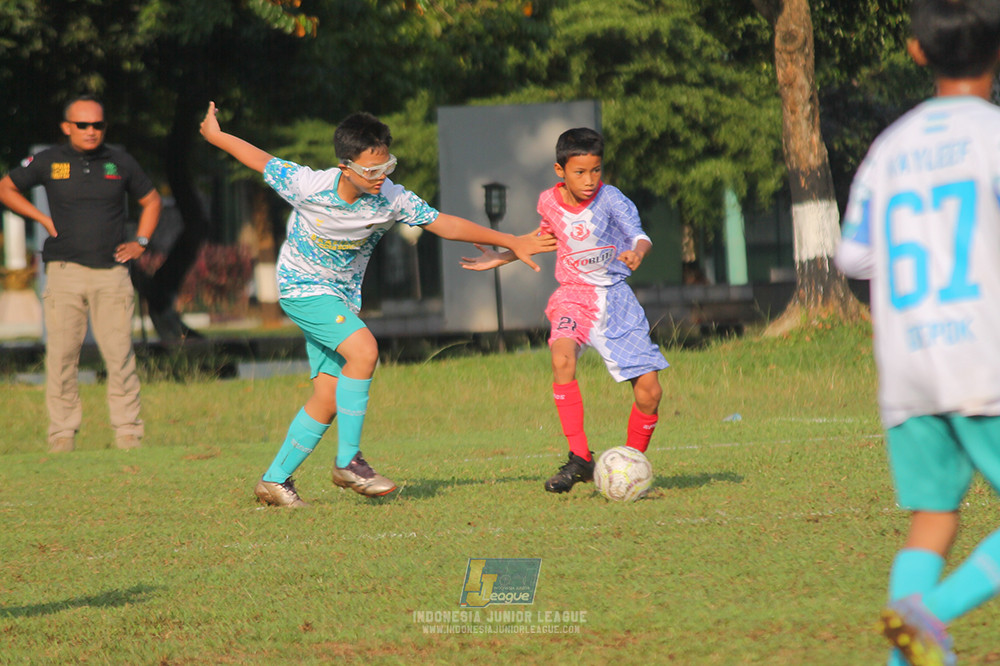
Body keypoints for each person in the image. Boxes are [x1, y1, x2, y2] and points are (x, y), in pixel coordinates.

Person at [199, 102, 554, 507]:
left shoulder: (391, 197)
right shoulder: (307, 185)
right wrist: (216, 136)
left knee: (328, 398)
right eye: (371, 170)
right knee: (365, 350)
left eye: (387, 166)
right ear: (345, 167)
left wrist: (510, 241)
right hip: (302, 288)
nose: (381, 176)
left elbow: (444, 222)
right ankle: (348, 462)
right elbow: (259, 159)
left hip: (340, 299)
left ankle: (274, 481)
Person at [835, 2, 1000, 664]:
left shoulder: (890, 147)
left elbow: (853, 257)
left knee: (933, 516)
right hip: (984, 358)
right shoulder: (993, 135)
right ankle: (925, 616)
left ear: (916, 51)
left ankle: (902, 658)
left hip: (908, 362)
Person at [461, 128, 668, 494]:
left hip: (616, 300)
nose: (589, 180)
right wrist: (502, 256)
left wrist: (638, 252)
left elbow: (640, 235)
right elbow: (546, 238)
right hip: (573, 296)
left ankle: (629, 464)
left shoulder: (611, 199)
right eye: (580, 172)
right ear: (561, 170)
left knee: (649, 393)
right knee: (561, 358)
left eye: (596, 170)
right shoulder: (548, 202)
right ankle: (580, 458)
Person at [0, 95, 161, 452]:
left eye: (97, 125)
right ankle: (62, 436)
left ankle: (128, 433)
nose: (91, 131)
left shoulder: (120, 162)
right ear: (67, 127)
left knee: (120, 356)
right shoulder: (48, 160)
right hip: (64, 272)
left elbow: (151, 200)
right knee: (61, 357)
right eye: (82, 125)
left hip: (112, 274)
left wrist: (141, 241)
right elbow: (6, 187)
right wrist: (41, 219)